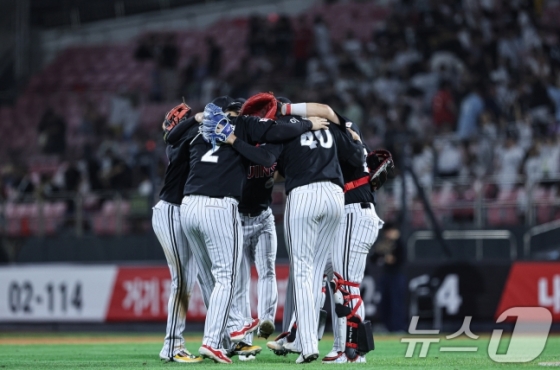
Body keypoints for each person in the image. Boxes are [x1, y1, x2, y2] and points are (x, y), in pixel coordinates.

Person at [180, 96, 327, 364]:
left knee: (211, 278)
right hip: (221, 207)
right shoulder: (243, 125)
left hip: (188, 205)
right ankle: (224, 335)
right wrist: (305, 125)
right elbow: (272, 141)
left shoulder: (199, 132)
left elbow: (171, 142)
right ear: (237, 113)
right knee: (228, 276)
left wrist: (195, 118)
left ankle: (231, 333)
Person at [243, 97, 364, 363]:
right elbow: (354, 155)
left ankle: (307, 343)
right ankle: (318, 341)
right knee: (318, 271)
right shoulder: (326, 124)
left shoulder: (280, 131)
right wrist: (348, 132)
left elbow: (267, 165)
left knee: (303, 271)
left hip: (304, 195)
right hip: (335, 195)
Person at [152, 102, 203, 363]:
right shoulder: (178, 142)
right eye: (186, 119)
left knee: (188, 281)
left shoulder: (184, 139)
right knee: (181, 281)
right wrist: (195, 121)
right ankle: (171, 346)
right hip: (171, 211)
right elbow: (179, 135)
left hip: (182, 212)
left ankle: (182, 342)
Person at [372, 222, 407, 332]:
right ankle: (387, 327)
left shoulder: (399, 243)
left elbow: (401, 259)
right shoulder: (383, 244)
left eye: (390, 231)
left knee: (396, 303)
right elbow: (373, 259)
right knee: (385, 303)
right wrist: (381, 253)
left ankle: (398, 327)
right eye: (387, 232)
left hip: (396, 276)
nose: (388, 234)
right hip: (386, 276)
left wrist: (396, 241)